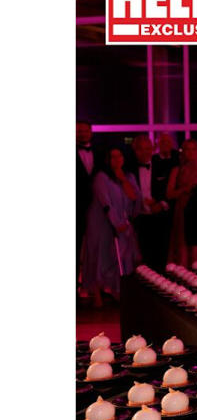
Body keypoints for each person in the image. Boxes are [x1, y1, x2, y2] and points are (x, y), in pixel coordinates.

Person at [82, 147, 142, 307]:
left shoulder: (128, 176)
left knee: (120, 256)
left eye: (119, 156)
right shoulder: (101, 177)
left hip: (122, 222)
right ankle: (96, 294)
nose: (116, 160)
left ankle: (116, 290)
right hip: (101, 222)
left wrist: (123, 180)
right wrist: (115, 222)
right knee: (99, 254)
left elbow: (135, 198)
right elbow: (105, 202)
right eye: (112, 157)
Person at [129, 135, 171, 269]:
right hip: (138, 217)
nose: (144, 152)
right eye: (140, 149)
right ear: (134, 150)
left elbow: (170, 191)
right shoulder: (128, 169)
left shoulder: (163, 166)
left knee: (161, 254)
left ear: (153, 149)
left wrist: (161, 203)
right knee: (142, 255)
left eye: (148, 149)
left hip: (160, 217)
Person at [76, 121, 96, 296]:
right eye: (78, 131)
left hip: (98, 209)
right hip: (75, 209)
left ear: (91, 132)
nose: (82, 134)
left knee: (97, 248)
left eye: (84, 131)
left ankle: (96, 288)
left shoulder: (101, 151)